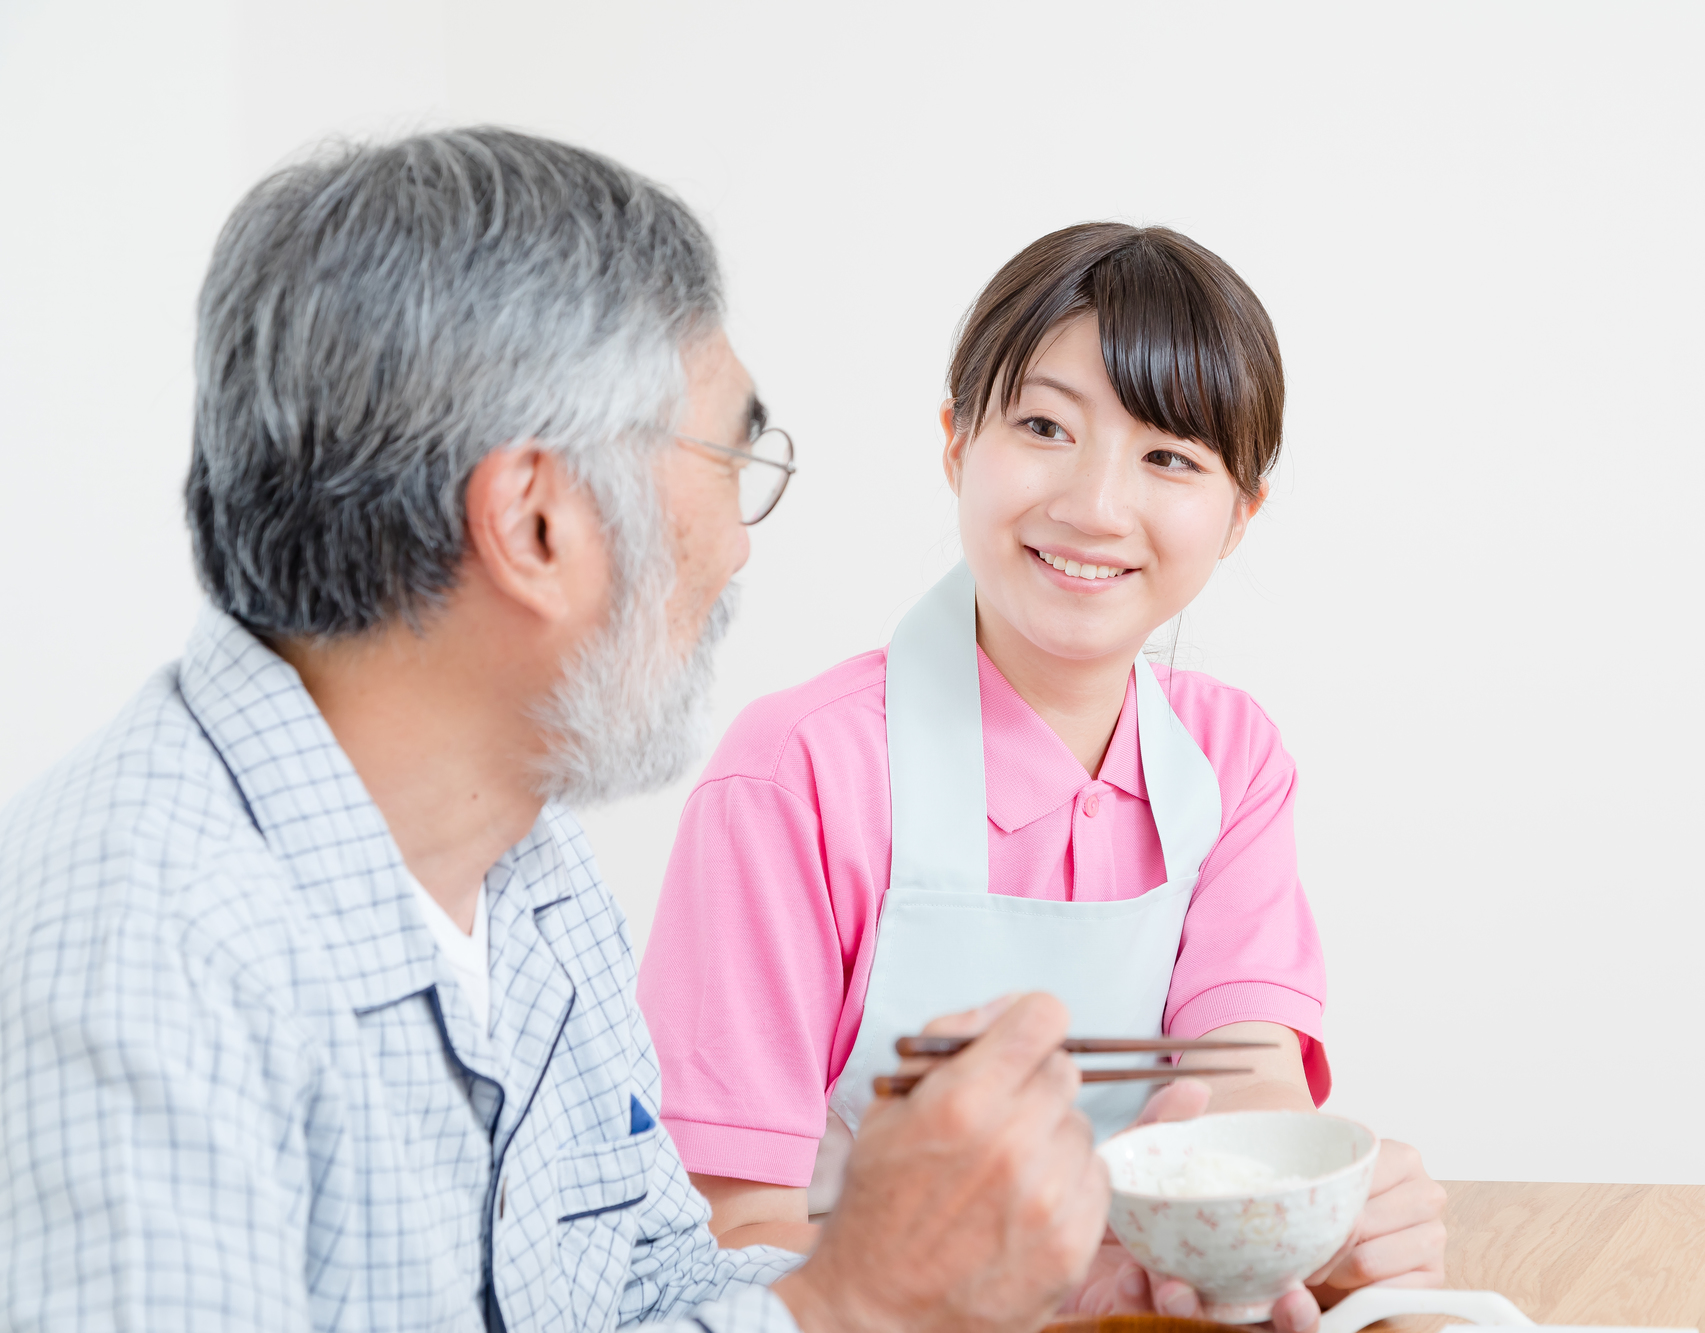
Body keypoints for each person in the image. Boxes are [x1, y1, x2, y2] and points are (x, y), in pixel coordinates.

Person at [0, 128, 1110, 1333]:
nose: (739, 543)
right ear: (533, 527)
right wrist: (857, 1307)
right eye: (727, 457)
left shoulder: (523, 864)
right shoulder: (139, 954)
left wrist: (1016, 1269)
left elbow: (652, 1287)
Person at [639, 224, 1449, 1329]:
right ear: (954, 442)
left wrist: (1323, 1214)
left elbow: (1246, 1079)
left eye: (1169, 456)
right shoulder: (797, 774)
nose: (1093, 504)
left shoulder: (1228, 759)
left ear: (1237, 515)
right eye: (1042, 426)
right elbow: (727, 1225)